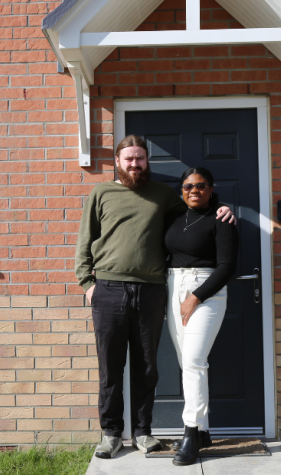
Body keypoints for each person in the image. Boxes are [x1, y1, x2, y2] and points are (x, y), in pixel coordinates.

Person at [75, 135, 235, 459]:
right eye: (129, 159)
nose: (135, 164)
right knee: (111, 366)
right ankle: (110, 433)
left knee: (147, 367)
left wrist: (223, 208)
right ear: (118, 162)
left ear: (147, 161)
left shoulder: (163, 195)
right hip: (108, 289)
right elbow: (84, 239)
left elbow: (197, 209)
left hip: (151, 290)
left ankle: (143, 432)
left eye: (140, 159)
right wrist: (87, 283)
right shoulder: (101, 193)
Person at [163, 167, 239, 466]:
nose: (194, 190)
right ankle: (204, 430)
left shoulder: (221, 219)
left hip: (205, 289)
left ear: (211, 188)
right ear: (181, 189)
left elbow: (227, 266)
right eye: (188, 186)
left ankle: (190, 432)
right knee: (189, 364)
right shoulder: (173, 217)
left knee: (194, 361)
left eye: (201, 185)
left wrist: (195, 297)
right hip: (173, 286)